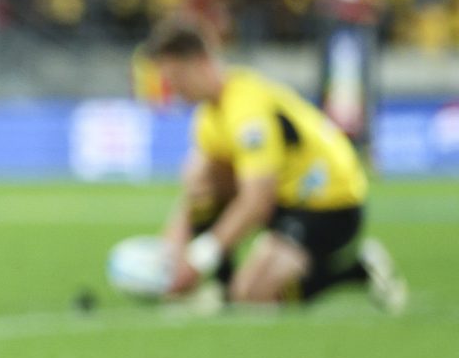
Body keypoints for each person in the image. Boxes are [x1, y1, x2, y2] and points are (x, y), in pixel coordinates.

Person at [141, 16, 403, 310]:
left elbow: (258, 200)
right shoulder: (209, 116)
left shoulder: (246, 107)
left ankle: (356, 270)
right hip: (288, 198)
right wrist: (169, 257)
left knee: (253, 295)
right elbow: (195, 194)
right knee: (201, 174)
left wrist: (199, 258)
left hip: (330, 203)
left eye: (177, 77)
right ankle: (223, 286)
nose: (174, 88)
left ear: (201, 62)